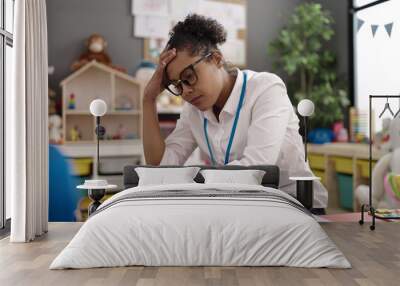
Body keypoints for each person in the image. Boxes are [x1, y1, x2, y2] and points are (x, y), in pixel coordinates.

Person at [142, 14, 328, 211]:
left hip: (292, 203)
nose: (185, 91)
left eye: (189, 77)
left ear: (216, 59)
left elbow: (256, 168)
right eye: (176, 85)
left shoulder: (266, 88)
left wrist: (198, 182)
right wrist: (148, 99)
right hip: (239, 204)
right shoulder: (192, 110)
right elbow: (161, 165)